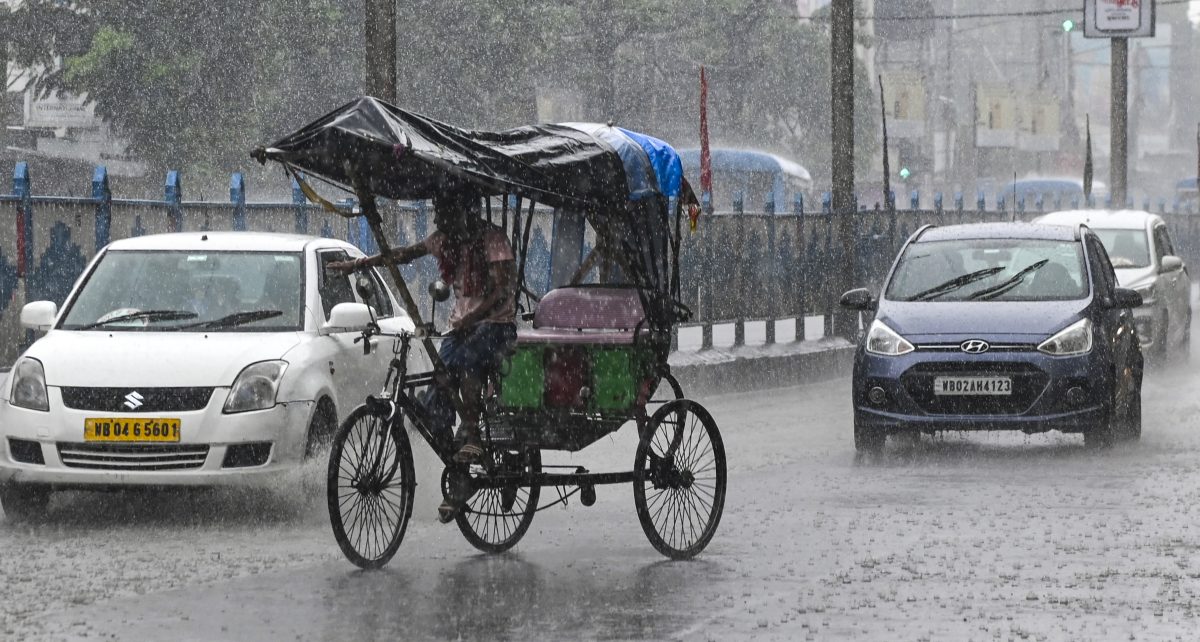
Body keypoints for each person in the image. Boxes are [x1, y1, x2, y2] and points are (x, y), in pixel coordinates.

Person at [330, 190, 517, 519]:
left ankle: (472, 432)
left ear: (465, 212)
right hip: (462, 327)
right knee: (440, 380)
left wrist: (473, 318)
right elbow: (402, 254)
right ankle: (458, 465)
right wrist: (358, 264)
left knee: (468, 363)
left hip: (496, 325)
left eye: (446, 214)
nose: (440, 221)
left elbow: (502, 289)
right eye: (438, 215)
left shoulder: (492, 238)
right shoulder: (443, 240)